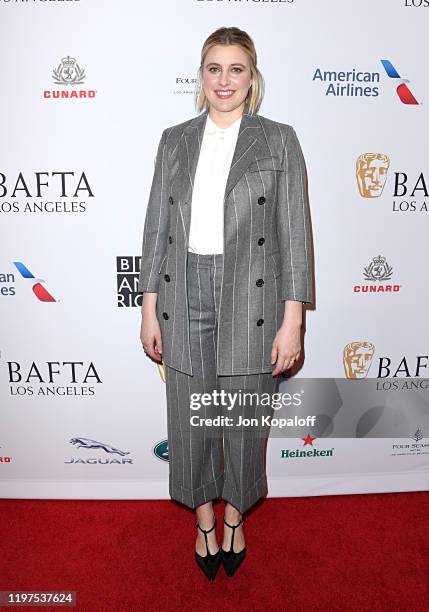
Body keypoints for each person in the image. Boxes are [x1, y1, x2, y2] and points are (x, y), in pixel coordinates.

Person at [138, 26, 314, 580]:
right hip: (183, 290)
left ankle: (237, 513)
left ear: (252, 77)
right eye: (214, 68)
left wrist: (294, 322)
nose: (224, 80)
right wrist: (148, 305)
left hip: (252, 294)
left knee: (241, 417)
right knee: (190, 419)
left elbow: (295, 236)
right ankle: (205, 519)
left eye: (236, 69)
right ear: (201, 75)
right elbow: (156, 228)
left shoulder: (279, 139)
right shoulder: (174, 139)